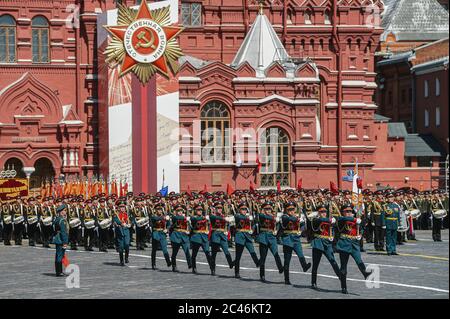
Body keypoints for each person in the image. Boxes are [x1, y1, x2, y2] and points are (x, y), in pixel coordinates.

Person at [336, 203, 373, 294]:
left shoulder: (355, 219)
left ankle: (365, 274)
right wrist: (355, 219)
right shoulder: (341, 219)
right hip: (344, 244)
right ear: (343, 212)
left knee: (359, 260)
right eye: (347, 211)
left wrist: (360, 234)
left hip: (354, 244)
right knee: (344, 267)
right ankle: (343, 287)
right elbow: (345, 219)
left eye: (350, 211)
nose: (349, 213)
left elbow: (361, 227)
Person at [310, 204, 342, 290]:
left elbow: (337, 228)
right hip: (318, 243)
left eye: (325, 211)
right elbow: (320, 220)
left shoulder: (330, 220)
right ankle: (313, 283)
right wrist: (330, 219)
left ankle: (341, 279)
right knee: (315, 264)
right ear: (318, 212)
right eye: (322, 212)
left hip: (327, 244)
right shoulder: (315, 219)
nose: (324, 213)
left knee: (333, 262)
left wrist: (335, 220)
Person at [280, 201, 311, 285]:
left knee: (301, 254)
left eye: (293, 209)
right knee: (287, 260)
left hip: (296, 239)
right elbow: (290, 219)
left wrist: (302, 225)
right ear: (286, 210)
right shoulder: (284, 216)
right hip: (288, 239)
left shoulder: (296, 216)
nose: (291, 211)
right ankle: (286, 279)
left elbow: (302, 227)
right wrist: (297, 218)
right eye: (289, 209)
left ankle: (304, 266)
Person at [257, 201, 284, 282]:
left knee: (276, 254)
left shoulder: (273, 216)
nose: (268, 211)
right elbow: (264, 217)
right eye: (266, 209)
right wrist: (274, 218)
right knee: (263, 257)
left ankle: (280, 268)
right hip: (263, 237)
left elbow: (280, 227)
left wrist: (277, 235)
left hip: (272, 237)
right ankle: (262, 275)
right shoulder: (261, 215)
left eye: (269, 209)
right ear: (263, 209)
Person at [233, 202, 260, 279]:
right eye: (242, 209)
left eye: (245, 209)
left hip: (247, 237)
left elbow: (255, 223)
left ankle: (257, 263)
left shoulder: (248, 216)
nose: (244, 211)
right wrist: (249, 218)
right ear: (239, 210)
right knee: (238, 256)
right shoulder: (237, 215)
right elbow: (240, 218)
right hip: (240, 236)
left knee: (252, 251)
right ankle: (236, 272)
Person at [209, 201, 235, 275]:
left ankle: (231, 264)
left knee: (226, 251)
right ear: (215, 209)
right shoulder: (212, 215)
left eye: (220, 208)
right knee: (214, 253)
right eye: (218, 208)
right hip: (215, 235)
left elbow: (227, 225)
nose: (220, 209)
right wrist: (224, 219)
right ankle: (213, 268)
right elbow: (215, 218)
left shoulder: (224, 215)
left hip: (223, 236)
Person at [190, 204, 213, 274]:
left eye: (201, 210)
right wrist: (205, 218)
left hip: (204, 238)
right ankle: (194, 267)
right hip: (196, 237)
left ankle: (212, 268)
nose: (200, 211)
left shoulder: (205, 217)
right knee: (194, 254)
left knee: (207, 253)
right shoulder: (193, 217)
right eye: (198, 210)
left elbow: (209, 225)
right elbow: (196, 219)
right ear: (195, 211)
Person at [169, 204, 192, 272]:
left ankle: (190, 264)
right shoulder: (174, 217)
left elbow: (189, 226)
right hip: (176, 236)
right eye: (178, 210)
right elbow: (177, 218)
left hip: (184, 236)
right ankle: (174, 265)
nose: (180, 212)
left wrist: (189, 230)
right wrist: (185, 218)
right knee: (175, 253)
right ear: (175, 211)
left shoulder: (185, 217)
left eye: (181, 210)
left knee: (187, 251)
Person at [150, 203, 172, 270]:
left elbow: (169, 224)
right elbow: (155, 219)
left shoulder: (165, 216)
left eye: (160, 209)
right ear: (156, 210)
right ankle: (153, 264)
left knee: (164, 248)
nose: (159, 211)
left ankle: (168, 261)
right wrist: (164, 217)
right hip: (156, 233)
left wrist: (167, 229)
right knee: (154, 250)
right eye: (158, 210)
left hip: (162, 233)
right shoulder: (153, 216)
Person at [52, 204, 69, 277]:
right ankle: (59, 272)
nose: (65, 212)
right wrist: (65, 242)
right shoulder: (62, 220)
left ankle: (59, 271)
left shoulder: (57, 219)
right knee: (60, 256)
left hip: (57, 238)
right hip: (61, 240)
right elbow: (63, 232)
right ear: (61, 212)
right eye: (64, 211)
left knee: (58, 255)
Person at [112, 201, 131, 266]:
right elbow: (116, 220)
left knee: (127, 244)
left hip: (126, 231)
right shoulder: (116, 214)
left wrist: (130, 224)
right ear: (118, 208)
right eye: (121, 207)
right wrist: (121, 223)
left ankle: (126, 257)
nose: (122, 208)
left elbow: (131, 220)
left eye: (123, 207)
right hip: (119, 231)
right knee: (121, 246)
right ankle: (121, 260)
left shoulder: (126, 214)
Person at [384, 191, 400, 256]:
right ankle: (389, 250)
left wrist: (398, 223)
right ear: (387, 198)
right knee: (388, 238)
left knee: (394, 237)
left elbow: (398, 215)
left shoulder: (396, 206)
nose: (391, 198)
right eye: (389, 197)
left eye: (392, 197)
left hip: (395, 223)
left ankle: (394, 250)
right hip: (388, 223)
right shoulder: (385, 206)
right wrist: (384, 224)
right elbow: (383, 215)